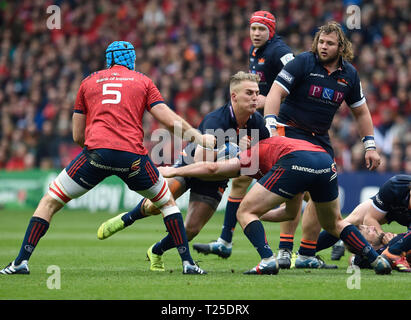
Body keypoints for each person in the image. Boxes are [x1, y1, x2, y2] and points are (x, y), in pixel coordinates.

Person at [0, 41, 215, 275]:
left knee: (50, 201)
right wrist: (198, 138)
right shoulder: (143, 81)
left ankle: (21, 261)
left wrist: (98, 153)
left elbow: (77, 135)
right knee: (166, 203)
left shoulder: (88, 82)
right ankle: (188, 264)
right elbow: (166, 118)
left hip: (96, 154)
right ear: (131, 60)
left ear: (109, 60)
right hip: (132, 157)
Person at [96, 71, 270, 271]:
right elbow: (201, 161)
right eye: (249, 93)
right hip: (190, 166)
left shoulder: (257, 123)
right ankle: (126, 219)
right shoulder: (216, 121)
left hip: (216, 178)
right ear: (234, 96)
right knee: (155, 206)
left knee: (190, 230)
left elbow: (265, 157)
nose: (255, 98)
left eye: (257, 93)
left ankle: (156, 250)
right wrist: (234, 148)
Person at [158, 135, 392, 275]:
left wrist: (174, 170)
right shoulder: (277, 151)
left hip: (295, 162)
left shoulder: (251, 155)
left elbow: (212, 169)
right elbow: (290, 212)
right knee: (335, 224)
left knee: (244, 210)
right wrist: (258, 218)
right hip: (323, 161)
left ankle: (267, 259)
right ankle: (375, 258)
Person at [261, 21, 381, 269]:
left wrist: (370, 145)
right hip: (290, 130)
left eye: (330, 43)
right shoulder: (303, 62)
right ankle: (284, 250)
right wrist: (271, 124)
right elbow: (275, 92)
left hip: (319, 137)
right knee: (294, 187)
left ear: (341, 47)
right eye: (321, 42)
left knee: (322, 193)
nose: (323, 47)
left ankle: (305, 253)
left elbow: (361, 112)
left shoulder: (349, 75)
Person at [193, 10, 295, 260]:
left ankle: (287, 250)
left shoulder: (279, 51)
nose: (256, 33)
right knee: (241, 178)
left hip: (282, 124)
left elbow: (297, 79)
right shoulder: (256, 52)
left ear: (271, 31)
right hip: (265, 122)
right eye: (253, 29)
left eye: (262, 29)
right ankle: (226, 241)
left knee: (296, 190)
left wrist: (269, 100)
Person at [315, 174, 411, 271]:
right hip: (391, 207)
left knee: (399, 244)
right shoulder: (395, 185)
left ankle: (357, 252)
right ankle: (306, 251)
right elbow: (370, 218)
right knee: (353, 220)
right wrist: (384, 238)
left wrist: (393, 243)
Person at [346, 225, 411, 272]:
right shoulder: (392, 243)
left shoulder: (366, 259)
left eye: (368, 226)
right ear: (368, 245)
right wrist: (394, 242)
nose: (373, 227)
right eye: (369, 231)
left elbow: (354, 259)